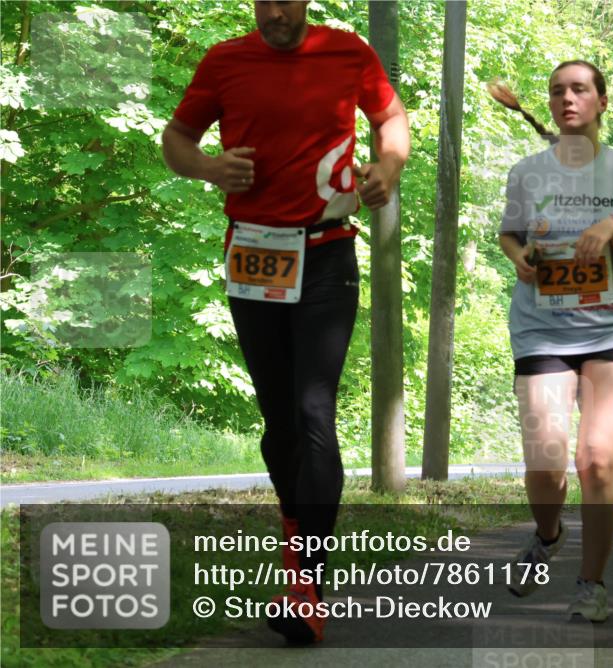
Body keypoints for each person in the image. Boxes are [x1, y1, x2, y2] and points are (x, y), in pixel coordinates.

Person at [162, 1, 410, 644]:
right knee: (278, 422)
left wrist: (387, 166)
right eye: (263, 1)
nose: (275, 12)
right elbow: (176, 140)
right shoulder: (225, 60)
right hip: (254, 254)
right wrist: (209, 167)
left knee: (312, 410)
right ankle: (299, 542)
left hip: (327, 251)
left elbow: (391, 119)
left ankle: (305, 585)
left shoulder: (347, 51)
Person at [493, 60, 613, 622]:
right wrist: (521, 258)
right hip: (543, 325)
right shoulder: (527, 172)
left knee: (596, 459)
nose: (566, 99)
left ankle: (590, 585)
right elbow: (510, 235)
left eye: (579, 89)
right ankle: (547, 535)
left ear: (601, 100)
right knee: (546, 460)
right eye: (556, 92)